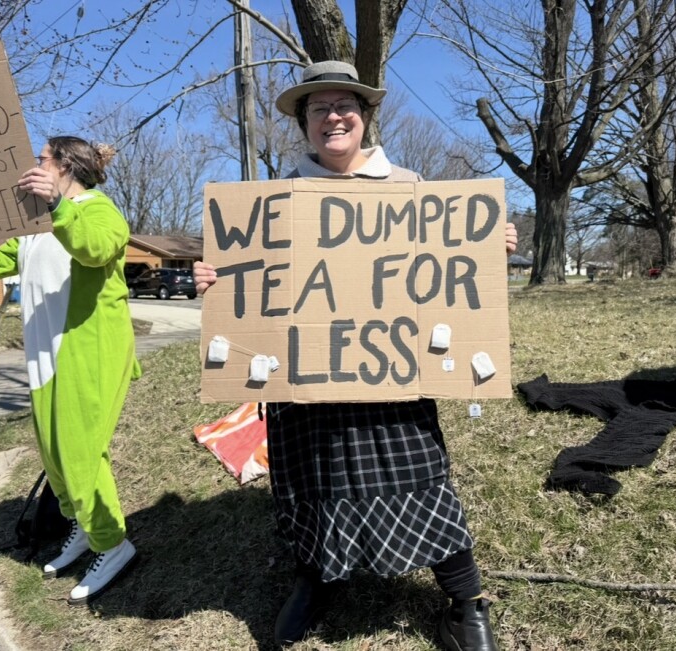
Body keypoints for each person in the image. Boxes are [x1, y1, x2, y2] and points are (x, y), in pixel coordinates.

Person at [195, 61, 518, 651]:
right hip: (303, 388)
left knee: (418, 477)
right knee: (310, 483)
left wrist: (486, 241)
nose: (333, 116)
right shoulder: (272, 201)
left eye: (345, 105)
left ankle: (463, 599)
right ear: (304, 124)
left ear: (365, 118)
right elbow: (249, 285)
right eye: (319, 108)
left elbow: (448, 271)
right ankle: (316, 578)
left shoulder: (411, 188)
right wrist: (217, 278)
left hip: (389, 378)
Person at [0, 136, 141, 605]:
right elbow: (0, 260)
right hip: (45, 354)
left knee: (79, 454)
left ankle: (113, 544)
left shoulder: (98, 209)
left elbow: (95, 249)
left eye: (42, 160)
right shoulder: (36, 223)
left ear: (65, 168)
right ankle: (83, 528)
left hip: (87, 354)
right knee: (55, 456)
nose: (33, 166)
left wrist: (58, 209)